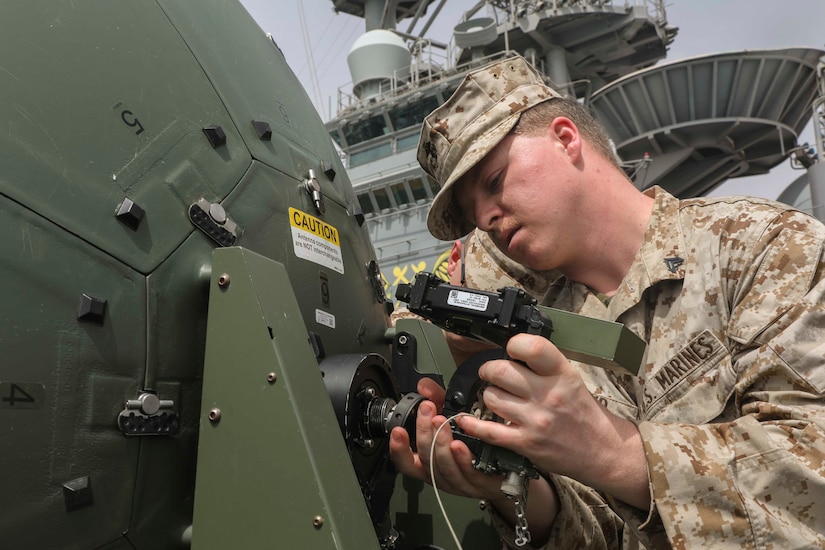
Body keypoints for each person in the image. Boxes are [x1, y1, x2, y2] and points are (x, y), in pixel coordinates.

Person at [389, 55, 825, 548]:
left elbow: (813, 463)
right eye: (472, 213)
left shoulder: (762, 247)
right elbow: (607, 530)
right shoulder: (544, 341)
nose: (486, 217)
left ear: (565, 138)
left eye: (493, 181)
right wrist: (517, 492)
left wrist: (610, 451)